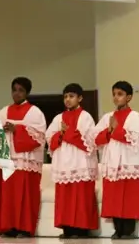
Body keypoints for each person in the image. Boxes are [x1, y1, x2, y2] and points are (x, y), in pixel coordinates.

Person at [0, 77, 46, 238]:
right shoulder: (2, 112)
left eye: (21, 90)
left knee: (24, 195)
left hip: (25, 160)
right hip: (8, 160)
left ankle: (24, 228)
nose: (17, 93)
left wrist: (17, 129)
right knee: (8, 196)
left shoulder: (35, 112)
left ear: (27, 93)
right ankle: (8, 227)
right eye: (14, 89)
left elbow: (39, 138)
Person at [93, 81, 139, 239]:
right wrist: (109, 131)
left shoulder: (135, 116)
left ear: (129, 97)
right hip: (112, 162)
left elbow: (134, 139)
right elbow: (96, 138)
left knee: (129, 196)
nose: (116, 98)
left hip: (129, 162)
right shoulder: (107, 117)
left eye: (120, 94)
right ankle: (118, 229)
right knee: (114, 196)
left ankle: (128, 230)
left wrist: (116, 129)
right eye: (114, 94)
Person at [45, 83, 99, 239]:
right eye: (65, 96)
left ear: (80, 98)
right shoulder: (58, 118)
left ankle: (81, 229)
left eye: (71, 96)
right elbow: (50, 138)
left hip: (81, 162)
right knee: (65, 197)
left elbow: (89, 140)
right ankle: (67, 229)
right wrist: (61, 135)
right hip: (63, 163)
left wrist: (66, 133)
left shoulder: (85, 116)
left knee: (81, 196)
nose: (68, 100)